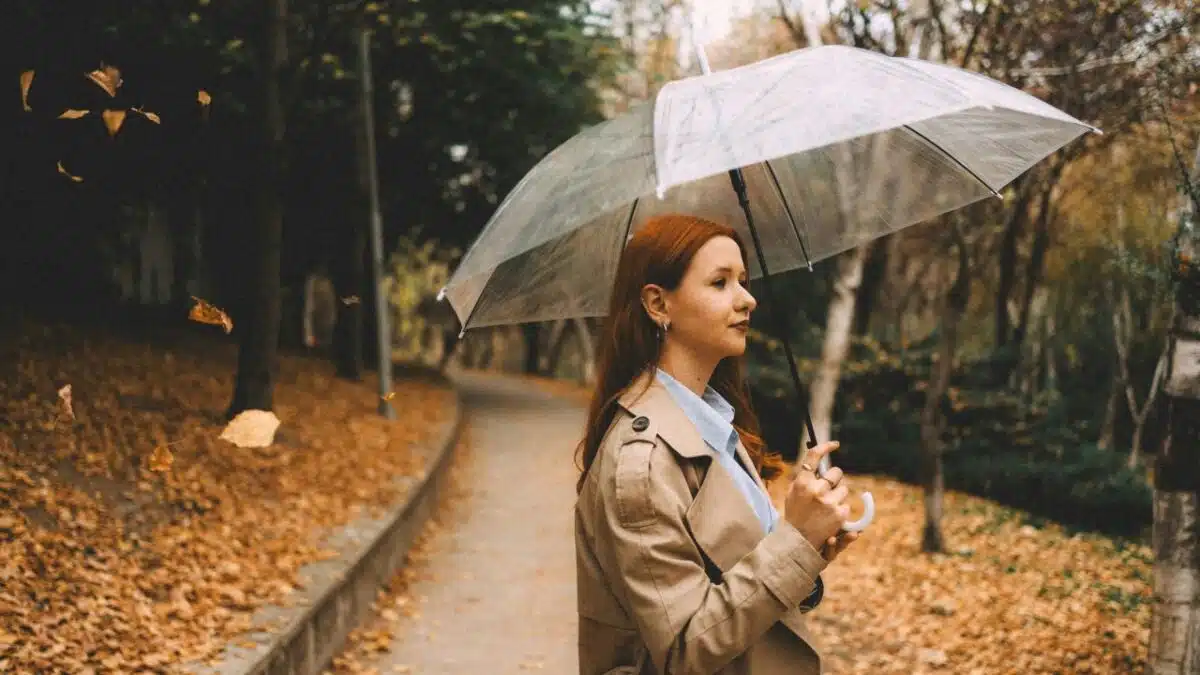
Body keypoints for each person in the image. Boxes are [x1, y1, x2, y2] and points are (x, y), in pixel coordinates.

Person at [574, 213, 861, 675]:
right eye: (720, 282)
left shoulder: (712, 424)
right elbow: (685, 648)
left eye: (743, 281)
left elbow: (732, 582)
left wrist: (809, 549)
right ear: (658, 304)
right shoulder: (642, 465)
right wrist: (794, 540)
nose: (747, 298)